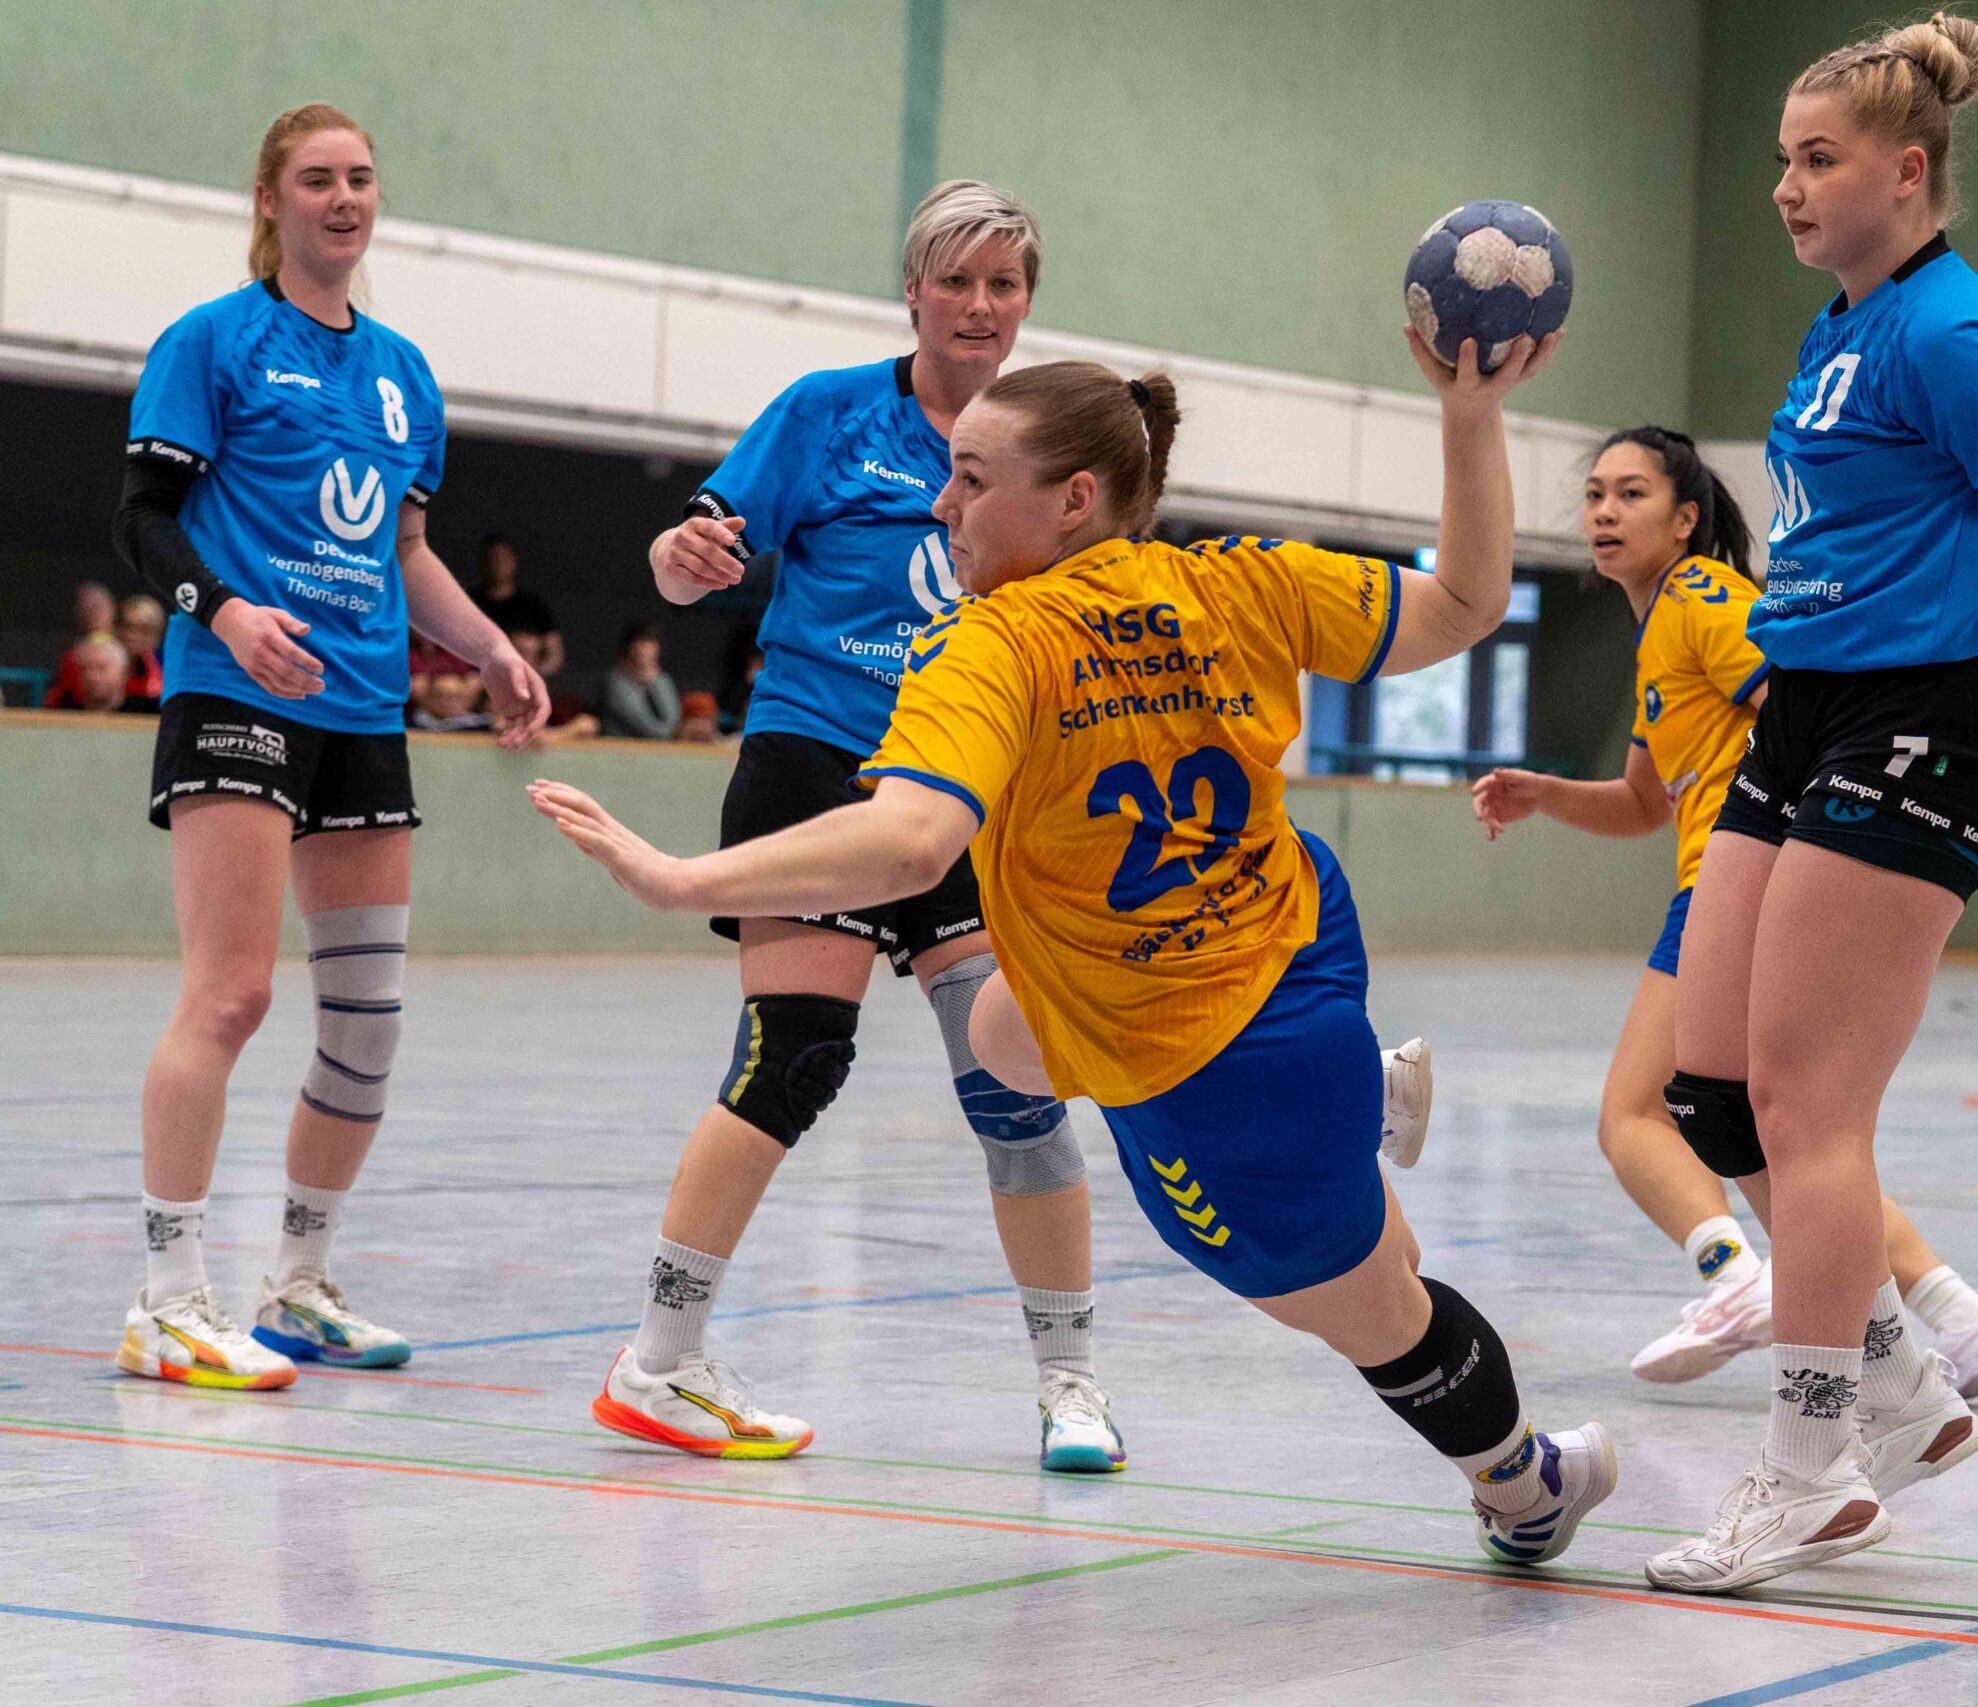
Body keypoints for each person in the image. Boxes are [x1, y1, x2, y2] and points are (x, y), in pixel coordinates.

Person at [533, 333, 1619, 1565]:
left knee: (1382, 1313)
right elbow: (1468, 604)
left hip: (1199, 1061)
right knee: (999, 1032)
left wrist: (682, 879)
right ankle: (1358, 1098)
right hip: (1298, 928)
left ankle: (1526, 1485)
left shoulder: (995, 643)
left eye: (970, 478)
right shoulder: (1234, 578)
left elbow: (907, 843)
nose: (939, 506)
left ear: (1074, 501)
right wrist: (1469, 417)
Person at [1638, 12, 1978, 1595]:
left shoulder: (1956, 335)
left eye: (1817, 159)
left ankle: (1812, 1463)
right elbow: (1887, 530)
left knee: (1812, 1110)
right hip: (1811, 711)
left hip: (1915, 733)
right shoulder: (1842, 325)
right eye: (1781, 159)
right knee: (1712, 1093)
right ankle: (1904, 1381)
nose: (1786, 187)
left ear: (1906, 173)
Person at [571, 181, 1128, 1468]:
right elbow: (689, 548)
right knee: (794, 1061)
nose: (981, 306)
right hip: (820, 761)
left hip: (967, 780)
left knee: (1015, 1085)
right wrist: (684, 557)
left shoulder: (1044, 435)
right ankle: (659, 1360)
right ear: (915, 291)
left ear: (1026, 301)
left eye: (1004, 285)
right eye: (958, 281)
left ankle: (1070, 1383)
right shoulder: (826, 414)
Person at [1474, 425, 1978, 1398]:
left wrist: (1959, 687)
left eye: (1631, 495)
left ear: (1687, 517)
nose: (1604, 513)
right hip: (1723, 875)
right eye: (1594, 496)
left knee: (1638, 1115)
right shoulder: (1658, 627)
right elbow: (1638, 802)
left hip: (1740, 879)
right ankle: (1962, 1319)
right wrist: (1545, 792)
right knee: (1791, 1135)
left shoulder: (1704, 597)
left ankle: (1738, 1276)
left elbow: (1806, 695)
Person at [108, 103, 546, 1391]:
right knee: (232, 995)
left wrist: (488, 649)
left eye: (360, 179)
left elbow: (402, 554)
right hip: (238, 692)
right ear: (270, 201)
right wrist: (230, 613)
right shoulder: (213, 343)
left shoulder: (406, 375)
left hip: (363, 714)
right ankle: (167, 1298)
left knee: (366, 1023)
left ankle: (297, 1284)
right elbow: (142, 522)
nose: (343, 199)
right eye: (316, 180)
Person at [470, 533, 560, 675]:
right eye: (492, 558)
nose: (498, 564)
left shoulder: (533, 604)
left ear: (514, 561)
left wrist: (536, 674)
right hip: (477, 677)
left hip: (524, 676)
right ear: (482, 563)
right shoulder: (470, 602)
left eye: (503, 558)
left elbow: (554, 652)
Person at [598, 621, 680, 739]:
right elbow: (646, 727)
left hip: (658, 749)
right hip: (619, 748)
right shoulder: (615, 682)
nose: (646, 651)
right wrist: (670, 734)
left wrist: (654, 684)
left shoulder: (662, 680)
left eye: (651, 645)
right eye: (641, 644)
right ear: (629, 648)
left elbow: (673, 720)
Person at [117, 595, 169, 702]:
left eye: (143, 630)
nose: (131, 636)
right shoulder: (99, 664)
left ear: (156, 637)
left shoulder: (166, 675)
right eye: (126, 626)